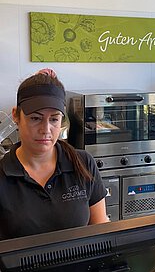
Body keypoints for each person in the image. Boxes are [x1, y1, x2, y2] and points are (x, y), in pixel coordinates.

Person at [0, 68, 108, 239]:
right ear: (16, 116)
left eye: (54, 119)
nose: (46, 130)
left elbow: (101, 230)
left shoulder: (83, 163)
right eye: (35, 118)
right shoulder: (3, 175)